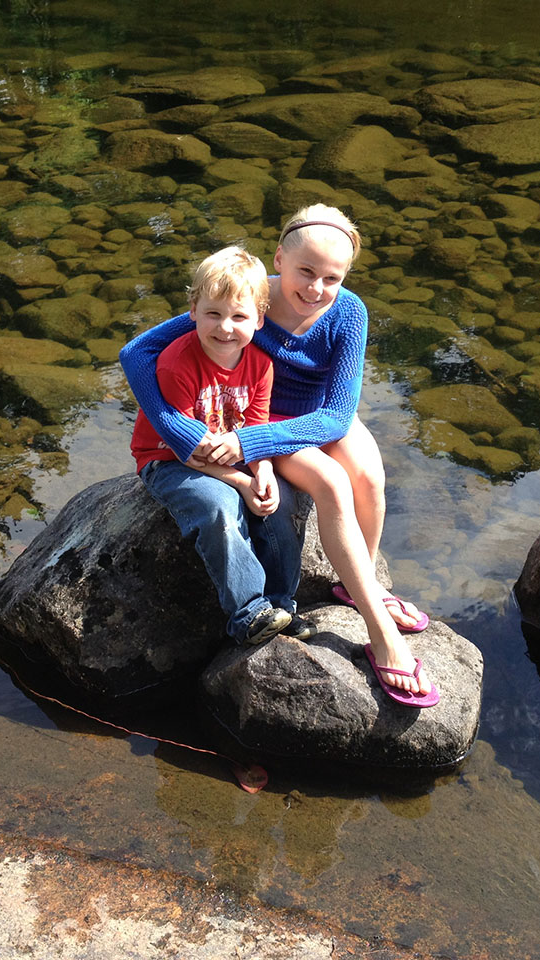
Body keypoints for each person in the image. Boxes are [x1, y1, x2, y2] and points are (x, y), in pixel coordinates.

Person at [120, 205, 438, 708]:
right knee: (331, 484)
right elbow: (136, 353)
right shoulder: (244, 298)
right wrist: (180, 429)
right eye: (305, 272)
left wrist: (249, 448)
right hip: (261, 417)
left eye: (331, 278)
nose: (315, 288)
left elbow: (336, 416)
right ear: (279, 261)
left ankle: (361, 586)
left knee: (370, 478)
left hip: (310, 418)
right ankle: (382, 633)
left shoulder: (349, 312)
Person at [129, 245, 313, 647]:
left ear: (259, 320)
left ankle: (283, 604)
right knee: (220, 507)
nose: (225, 328)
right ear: (192, 309)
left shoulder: (260, 365)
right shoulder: (176, 363)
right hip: (170, 460)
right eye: (213, 313)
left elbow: (256, 425)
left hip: (235, 453)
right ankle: (249, 612)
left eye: (239, 317)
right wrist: (242, 484)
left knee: (279, 503)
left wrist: (262, 472)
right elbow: (184, 446)